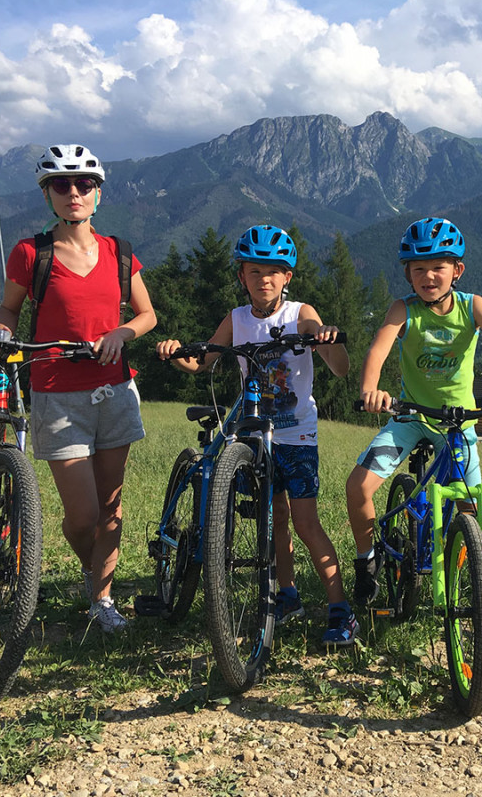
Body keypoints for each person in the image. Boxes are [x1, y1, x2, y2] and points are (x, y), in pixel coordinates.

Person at [156, 225, 359, 646]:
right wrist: (175, 354)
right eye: (254, 271)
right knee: (275, 518)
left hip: (296, 436)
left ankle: (341, 609)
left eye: (273, 271)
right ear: (241, 277)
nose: (264, 279)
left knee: (306, 523)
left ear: (287, 277)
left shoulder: (300, 313)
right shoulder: (236, 319)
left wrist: (327, 338)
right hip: (254, 437)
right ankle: (287, 595)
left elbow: (340, 368)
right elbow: (203, 362)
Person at [347, 216, 482, 606]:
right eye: (418, 269)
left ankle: (471, 576)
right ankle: (366, 560)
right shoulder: (403, 309)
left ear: (457, 270)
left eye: (438, 267)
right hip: (410, 418)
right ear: (407, 274)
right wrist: (370, 389)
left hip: (458, 424)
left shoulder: (472, 307)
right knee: (358, 486)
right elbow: (379, 348)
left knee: (471, 507)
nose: (428, 276)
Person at [0, 144, 157, 632]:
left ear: (98, 194)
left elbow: (147, 315)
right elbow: (9, 309)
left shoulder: (119, 253)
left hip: (115, 390)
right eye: (61, 185)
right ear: (48, 194)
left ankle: (102, 600)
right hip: (56, 392)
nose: (74, 193)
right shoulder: (32, 254)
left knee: (111, 507)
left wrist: (121, 333)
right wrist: (2, 331)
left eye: (84, 184)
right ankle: (94, 574)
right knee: (83, 515)